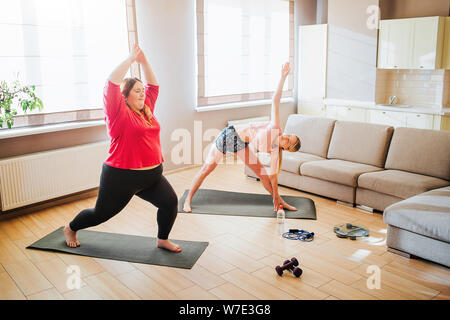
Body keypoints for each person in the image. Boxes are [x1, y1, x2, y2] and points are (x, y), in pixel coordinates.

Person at [63, 44, 181, 252]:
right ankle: (70, 228)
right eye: (137, 91)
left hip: (152, 176)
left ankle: (162, 239)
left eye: (142, 91)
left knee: (170, 202)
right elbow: (111, 82)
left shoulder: (147, 109)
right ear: (124, 96)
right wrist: (130, 59)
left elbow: (154, 86)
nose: (142, 94)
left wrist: (144, 62)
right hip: (121, 178)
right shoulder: (118, 113)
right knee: (100, 214)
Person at [183, 62, 301, 213]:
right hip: (229, 135)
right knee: (207, 168)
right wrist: (283, 77)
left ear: (286, 148)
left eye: (288, 141)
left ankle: (279, 202)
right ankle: (188, 200)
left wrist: (277, 195)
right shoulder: (276, 127)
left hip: (240, 144)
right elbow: (275, 100)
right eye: (289, 135)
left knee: (262, 174)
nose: (286, 137)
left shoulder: (274, 152)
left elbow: (273, 177)